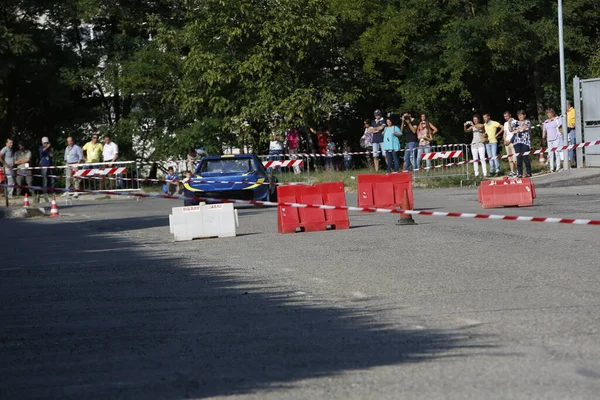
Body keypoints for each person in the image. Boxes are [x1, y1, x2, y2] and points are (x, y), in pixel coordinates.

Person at [542, 108, 564, 173]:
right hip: (549, 140)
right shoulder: (546, 122)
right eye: (548, 113)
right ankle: (551, 168)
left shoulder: (557, 119)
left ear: (553, 113)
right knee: (550, 154)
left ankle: (558, 167)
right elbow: (544, 131)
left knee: (557, 153)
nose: (549, 114)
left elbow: (561, 127)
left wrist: (561, 135)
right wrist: (543, 139)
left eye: (550, 113)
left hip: (556, 138)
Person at [513, 110, 532, 178]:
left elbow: (525, 128)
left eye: (521, 115)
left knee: (525, 157)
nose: (520, 117)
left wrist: (518, 130)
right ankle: (520, 173)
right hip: (517, 141)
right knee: (519, 158)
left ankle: (529, 172)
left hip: (525, 141)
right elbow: (512, 130)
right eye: (518, 115)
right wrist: (509, 123)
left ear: (524, 115)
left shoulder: (527, 121)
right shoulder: (516, 123)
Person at [502, 111, 518, 178]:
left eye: (507, 116)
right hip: (507, 142)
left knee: (515, 158)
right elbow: (505, 132)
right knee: (510, 158)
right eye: (505, 116)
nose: (506, 118)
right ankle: (512, 171)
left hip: (513, 141)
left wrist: (510, 141)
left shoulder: (514, 121)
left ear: (510, 115)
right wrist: (504, 140)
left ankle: (518, 170)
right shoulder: (505, 123)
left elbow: (514, 132)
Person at [39, 137, 55, 201]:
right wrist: (47, 147)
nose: (46, 144)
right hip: (44, 166)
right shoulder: (41, 148)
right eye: (45, 143)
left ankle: (52, 191)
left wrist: (51, 154)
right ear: (42, 143)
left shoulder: (49, 149)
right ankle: (45, 192)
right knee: (45, 179)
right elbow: (42, 151)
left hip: (50, 165)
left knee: (52, 178)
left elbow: (51, 155)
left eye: (47, 143)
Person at [567, 100, 577, 167]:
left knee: (573, 147)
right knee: (568, 148)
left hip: (572, 130)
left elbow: (576, 120)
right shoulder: (566, 113)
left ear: (568, 105)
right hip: (566, 131)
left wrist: (573, 125)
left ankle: (576, 162)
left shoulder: (573, 111)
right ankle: (569, 164)